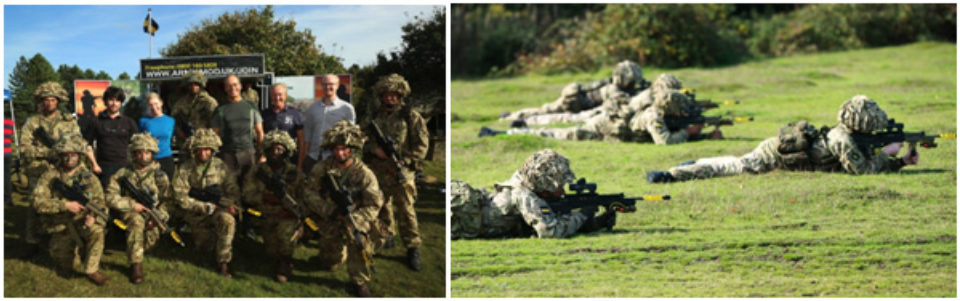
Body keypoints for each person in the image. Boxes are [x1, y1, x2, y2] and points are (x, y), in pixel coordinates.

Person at [647, 95, 919, 183]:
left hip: (783, 154)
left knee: (733, 162)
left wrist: (901, 162)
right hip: (773, 156)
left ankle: (693, 162)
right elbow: (862, 171)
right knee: (733, 168)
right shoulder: (842, 140)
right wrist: (890, 154)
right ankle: (672, 175)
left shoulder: (849, 135)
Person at [449, 149, 615, 239]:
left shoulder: (524, 182)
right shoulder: (524, 195)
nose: (563, 191)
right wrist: (582, 216)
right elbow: (550, 232)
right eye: (559, 186)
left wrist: (593, 224)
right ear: (545, 184)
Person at [303, 121, 382, 297]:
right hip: (330, 216)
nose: (340, 153)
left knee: (359, 240)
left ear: (352, 148)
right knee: (330, 264)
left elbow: (374, 204)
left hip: (355, 218)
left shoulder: (364, 174)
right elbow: (309, 193)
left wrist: (355, 218)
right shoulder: (322, 168)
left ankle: (359, 281)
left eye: (344, 148)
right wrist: (328, 210)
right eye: (336, 149)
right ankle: (336, 255)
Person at [19, 81, 100, 253]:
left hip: (64, 168)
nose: (49, 103)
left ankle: (69, 235)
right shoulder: (33, 123)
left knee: (71, 200)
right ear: (41, 101)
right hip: (39, 170)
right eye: (45, 100)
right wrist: (48, 152)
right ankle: (32, 242)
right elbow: (25, 149)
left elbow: (79, 142)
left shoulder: (68, 121)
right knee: (35, 205)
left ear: (58, 101)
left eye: (52, 99)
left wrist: (90, 161)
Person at [483, 89, 721, 144]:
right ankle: (507, 132)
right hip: (603, 126)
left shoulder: (663, 116)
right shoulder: (653, 116)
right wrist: (687, 133)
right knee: (562, 133)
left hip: (615, 131)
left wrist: (707, 136)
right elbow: (665, 141)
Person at [361, 74, 428, 270]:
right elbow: (358, 138)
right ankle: (385, 237)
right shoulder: (373, 117)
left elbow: (422, 145)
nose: (389, 99)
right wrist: (373, 149)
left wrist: (405, 161)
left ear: (400, 95)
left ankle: (412, 248)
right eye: (386, 95)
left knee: (406, 211)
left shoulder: (410, 116)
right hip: (378, 171)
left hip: (401, 171)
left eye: (393, 95)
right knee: (380, 207)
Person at [31, 135, 109, 285]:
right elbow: (37, 202)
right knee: (68, 266)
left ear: (79, 155)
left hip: (81, 221)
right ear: (60, 156)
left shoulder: (89, 177)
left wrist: (92, 216)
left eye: (73, 155)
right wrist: (64, 205)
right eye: (65, 155)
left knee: (97, 230)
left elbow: (100, 202)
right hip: (59, 225)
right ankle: (79, 250)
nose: (69, 159)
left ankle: (92, 270)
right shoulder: (49, 176)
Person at [171, 128, 240, 277]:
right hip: (196, 213)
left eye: (207, 150)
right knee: (204, 246)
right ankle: (215, 241)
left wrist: (230, 205)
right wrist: (205, 207)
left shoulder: (220, 166)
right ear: (194, 150)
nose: (203, 153)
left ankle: (224, 262)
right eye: (199, 150)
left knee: (227, 221)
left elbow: (232, 189)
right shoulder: (185, 168)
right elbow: (179, 196)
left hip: (219, 209)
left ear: (212, 150)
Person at [104, 133, 171, 284]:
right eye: (139, 152)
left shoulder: (160, 176)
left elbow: (168, 200)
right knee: (136, 222)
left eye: (147, 152)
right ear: (134, 153)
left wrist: (159, 216)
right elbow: (110, 196)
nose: (143, 156)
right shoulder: (122, 174)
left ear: (152, 154)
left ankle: (133, 245)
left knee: (148, 244)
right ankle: (136, 266)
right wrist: (132, 205)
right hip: (131, 213)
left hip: (152, 215)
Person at [242, 130, 305, 283]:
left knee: (285, 234)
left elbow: (304, 198)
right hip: (264, 215)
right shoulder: (257, 171)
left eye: (280, 149)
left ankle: (286, 262)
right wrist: (265, 197)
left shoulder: (294, 173)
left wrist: (294, 214)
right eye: (272, 149)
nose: (276, 153)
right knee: (271, 253)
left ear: (287, 151)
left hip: (286, 216)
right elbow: (246, 194)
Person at [501, 60, 645, 121]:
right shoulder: (613, 89)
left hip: (576, 98)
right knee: (545, 111)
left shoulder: (612, 84)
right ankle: (511, 117)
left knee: (545, 109)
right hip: (573, 101)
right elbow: (627, 101)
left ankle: (513, 115)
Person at [83, 86, 138, 187]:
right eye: (111, 100)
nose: (114, 103)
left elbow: (137, 146)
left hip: (124, 167)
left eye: (117, 100)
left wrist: (134, 166)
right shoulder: (96, 121)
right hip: (103, 168)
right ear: (105, 101)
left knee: (124, 199)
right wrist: (94, 165)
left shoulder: (129, 122)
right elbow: (87, 145)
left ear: (121, 103)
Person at [211, 74, 264, 179]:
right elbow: (214, 135)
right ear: (225, 88)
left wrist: (262, 154)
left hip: (248, 154)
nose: (232, 88)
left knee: (249, 189)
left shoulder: (251, 106)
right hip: (227, 156)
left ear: (240, 86)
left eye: (235, 84)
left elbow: (260, 132)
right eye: (229, 85)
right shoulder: (220, 109)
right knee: (230, 190)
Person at [302, 74, 356, 172]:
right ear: (321, 86)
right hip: (314, 157)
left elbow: (350, 137)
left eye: (331, 84)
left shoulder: (347, 108)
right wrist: (305, 157)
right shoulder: (312, 108)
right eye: (325, 84)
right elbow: (307, 135)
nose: (328, 87)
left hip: (335, 159)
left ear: (337, 85)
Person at [261, 83, 305, 167]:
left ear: (285, 96)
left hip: (290, 162)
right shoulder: (264, 114)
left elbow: (301, 141)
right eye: (274, 95)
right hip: (270, 162)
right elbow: (262, 138)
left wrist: (299, 165)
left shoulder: (295, 114)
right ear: (271, 96)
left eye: (280, 95)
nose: (277, 98)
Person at [171, 70, 218, 141]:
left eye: (196, 84)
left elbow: (216, 123)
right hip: (187, 141)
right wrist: (180, 133)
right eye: (191, 84)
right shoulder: (181, 103)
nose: (193, 87)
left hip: (205, 141)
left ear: (201, 85)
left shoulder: (209, 102)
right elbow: (173, 121)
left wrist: (209, 135)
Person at [138, 92, 176, 179]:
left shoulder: (170, 121)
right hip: (150, 160)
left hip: (166, 158)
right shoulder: (143, 121)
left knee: (167, 188)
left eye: (156, 103)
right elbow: (140, 140)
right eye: (151, 105)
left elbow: (170, 137)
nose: (154, 107)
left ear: (161, 103)